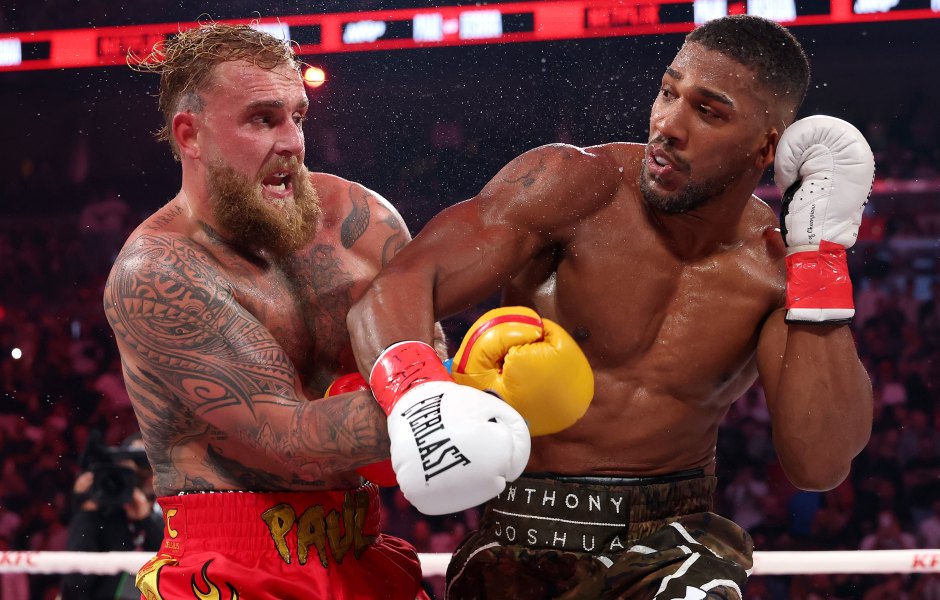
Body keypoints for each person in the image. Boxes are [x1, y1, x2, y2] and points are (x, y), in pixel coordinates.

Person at [349, 15, 874, 599]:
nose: (669, 125)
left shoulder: (777, 269)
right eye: (669, 92)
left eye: (708, 111)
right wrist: (419, 397)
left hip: (675, 538)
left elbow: (818, 464)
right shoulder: (574, 186)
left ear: (767, 146)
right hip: (523, 524)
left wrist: (819, 264)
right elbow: (401, 283)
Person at [104, 22, 529, 599]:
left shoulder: (359, 219)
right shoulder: (159, 271)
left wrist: (460, 385)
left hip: (366, 550)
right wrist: (454, 408)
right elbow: (288, 439)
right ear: (191, 135)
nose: (292, 142)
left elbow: (420, 353)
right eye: (262, 119)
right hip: (229, 568)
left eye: (297, 116)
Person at [61, 433, 163, 600]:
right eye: (129, 472)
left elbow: (173, 563)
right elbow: (76, 583)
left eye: (144, 468)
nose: (136, 479)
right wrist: (85, 508)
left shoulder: (167, 512)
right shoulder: (97, 516)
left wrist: (146, 520)